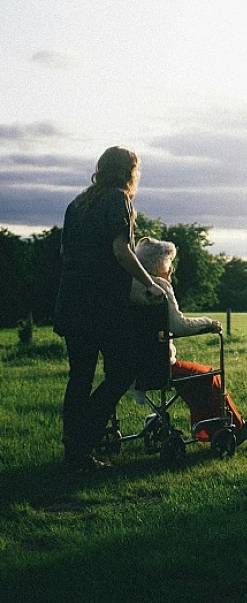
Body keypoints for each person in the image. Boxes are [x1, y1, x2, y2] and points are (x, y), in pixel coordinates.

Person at [54, 147, 166, 472]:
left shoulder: (77, 204)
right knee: (121, 374)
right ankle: (82, 440)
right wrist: (149, 283)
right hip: (101, 305)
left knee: (80, 377)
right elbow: (122, 250)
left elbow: (65, 252)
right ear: (129, 171)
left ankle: (74, 450)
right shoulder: (119, 200)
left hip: (71, 301)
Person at [130, 236, 247, 446]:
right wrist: (209, 323)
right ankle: (236, 427)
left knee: (194, 378)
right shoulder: (159, 286)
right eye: (169, 264)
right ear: (159, 264)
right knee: (209, 375)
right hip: (158, 366)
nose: (172, 269)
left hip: (130, 365)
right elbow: (179, 325)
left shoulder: (129, 286)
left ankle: (208, 430)